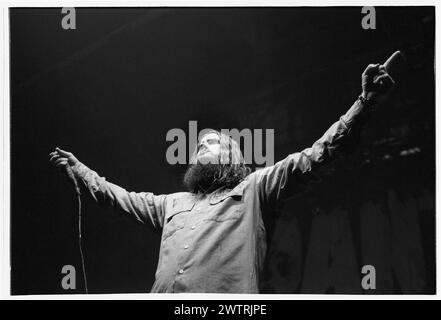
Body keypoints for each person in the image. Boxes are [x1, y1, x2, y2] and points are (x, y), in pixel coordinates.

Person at [49, 63, 395, 293]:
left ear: (233, 156)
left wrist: (365, 103)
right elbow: (117, 197)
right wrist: (81, 171)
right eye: (198, 145)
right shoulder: (171, 204)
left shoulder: (255, 190)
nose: (201, 148)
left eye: (212, 143)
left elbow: (317, 155)